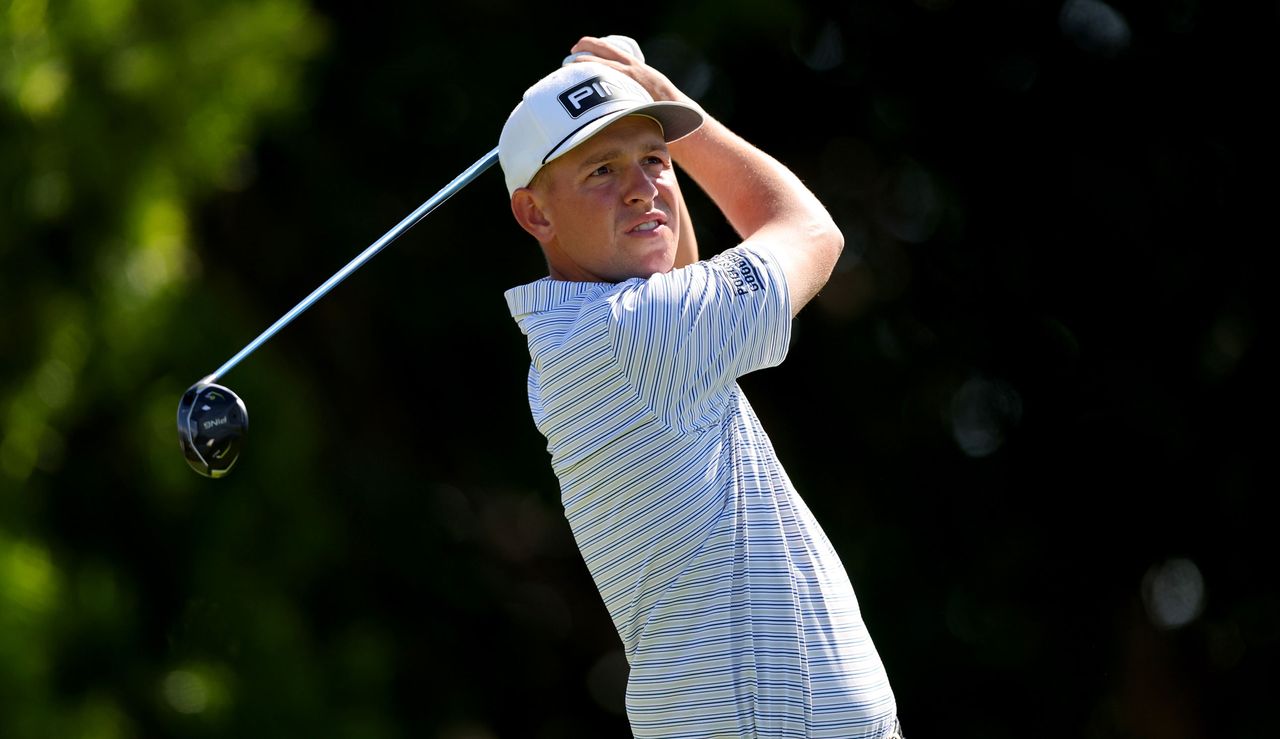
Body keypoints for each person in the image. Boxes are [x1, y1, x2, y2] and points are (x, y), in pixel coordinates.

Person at [499, 35, 902, 739]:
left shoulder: (588, 333)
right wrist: (678, 107)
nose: (642, 187)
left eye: (653, 160)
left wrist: (647, 120)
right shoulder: (637, 336)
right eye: (601, 170)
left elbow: (675, 263)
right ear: (536, 213)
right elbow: (811, 230)